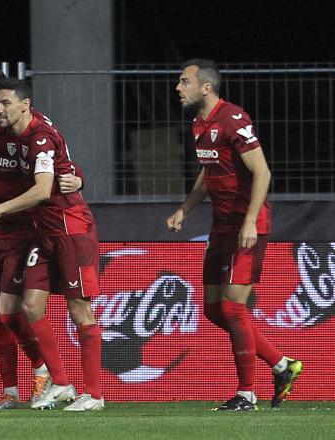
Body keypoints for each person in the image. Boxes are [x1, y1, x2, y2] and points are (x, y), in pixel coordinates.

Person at [167, 58, 303, 411]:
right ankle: (281, 364)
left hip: (247, 225)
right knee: (214, 309)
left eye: (184, 82)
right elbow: (208, 173)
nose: (178, 88)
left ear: (206, 87)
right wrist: (185, 208)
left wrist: (251, 220)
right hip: (221, 225)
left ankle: (246, 393)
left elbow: (262, 172)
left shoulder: (233, 118)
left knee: (232, 305)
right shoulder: (199, 124)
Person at [0, 78, 104, 412]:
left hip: (69, 229)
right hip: (42, 233)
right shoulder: (22, 131)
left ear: (24, 105)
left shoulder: (39, 137)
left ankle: (95, 394)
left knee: (79, 308)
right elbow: (64, 164)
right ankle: (60, 383)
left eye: (4, 103)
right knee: (30, 307)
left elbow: (44, 189)